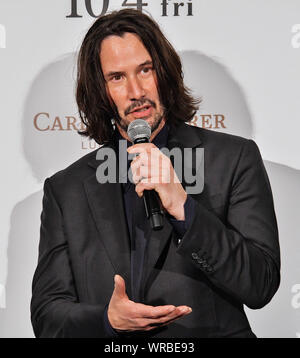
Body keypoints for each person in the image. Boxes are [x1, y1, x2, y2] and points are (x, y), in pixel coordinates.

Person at [31, 9, 280, 338]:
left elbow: (260, 283)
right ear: (100, 91)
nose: (136, 91)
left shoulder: (233, 159)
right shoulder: (67, 189)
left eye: (145, 70)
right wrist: (108, 320)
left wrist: (183, 206)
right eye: (117, 77)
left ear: (164, 71)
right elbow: (48, 315)